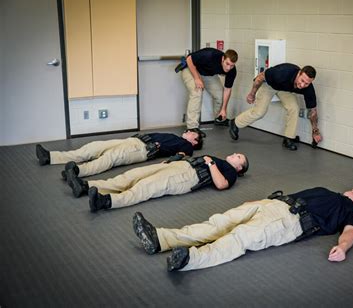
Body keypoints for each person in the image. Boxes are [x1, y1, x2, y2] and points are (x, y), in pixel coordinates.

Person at [132, 186, 353, 272]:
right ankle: (161, 239)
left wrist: (342, 248)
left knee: (240, 238)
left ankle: (190, 259)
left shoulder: (352, 212)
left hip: (289, 222)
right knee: (218, 223)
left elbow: (350, 231)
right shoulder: (329, 192)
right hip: (272, 204)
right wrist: (259, 202)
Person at [67, 152, 249, 211]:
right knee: (133, 175)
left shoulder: (230, 172)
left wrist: (210, 163)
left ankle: (107, 202)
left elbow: (221, 184)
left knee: (145, 187)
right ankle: (87, 186)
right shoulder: (222, 161)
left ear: (239, 168)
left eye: (238, 157)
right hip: (179, 166)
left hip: (187, 177)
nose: (234, 154)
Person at [35, 129, 205, 179]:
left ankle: (78, 172)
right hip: (133, 141)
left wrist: (167, 162)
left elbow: (181, 156)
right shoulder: (175, 136)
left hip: (141, 150)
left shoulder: (187, 146)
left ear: (195, 141)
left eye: (193, 133)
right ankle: (50, 157)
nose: (189, 131)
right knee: (93, 147)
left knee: (110, 159)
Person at [228, 63, 322, 151]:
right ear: (299, 73)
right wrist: (252, 93)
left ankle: (288, 139)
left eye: (306, 83)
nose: (302, 85)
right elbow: (260, 77)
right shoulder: (282, 73)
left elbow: (313, 111)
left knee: (294, 108)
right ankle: (235, 123)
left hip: (284, 89)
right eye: (302, 81)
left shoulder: (308, 88)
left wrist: (315, 130)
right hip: (269, 85)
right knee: (259, 112)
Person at [178, 48, 238, 129]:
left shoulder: (232, 70)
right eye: (227, 64)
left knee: (220, 95)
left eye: (232, 65)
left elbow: (227, 89)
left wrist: (224, 109)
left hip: (207, 74)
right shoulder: (210, 55)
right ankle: (192, 128)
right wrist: (197, 78)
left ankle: (220, 118)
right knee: (197, 92)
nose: (228, 68)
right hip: (190, 68)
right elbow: (189, 59)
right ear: (223, 58)